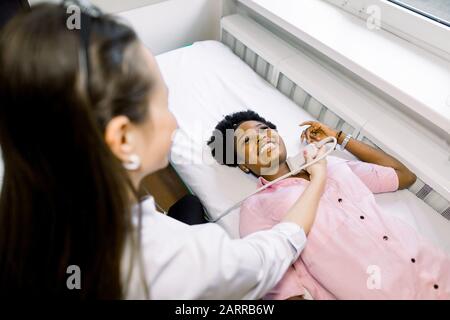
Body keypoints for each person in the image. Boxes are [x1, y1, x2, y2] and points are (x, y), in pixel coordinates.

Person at [0, 3, 328, 299]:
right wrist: (317, 181)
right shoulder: (178, 261)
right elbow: (267, 257)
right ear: (123, 139)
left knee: (189, 207)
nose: (174, 122)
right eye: (164, 104)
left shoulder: (29, 182)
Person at [208, 110, 450, 300]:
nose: (261, 137)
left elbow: (403, 176)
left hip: (437, 269)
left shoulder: (329, 163)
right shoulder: (256, 207)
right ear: (242, 165)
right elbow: (283, 291)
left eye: (263, 129)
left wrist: (339, 138)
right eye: (247, 141)